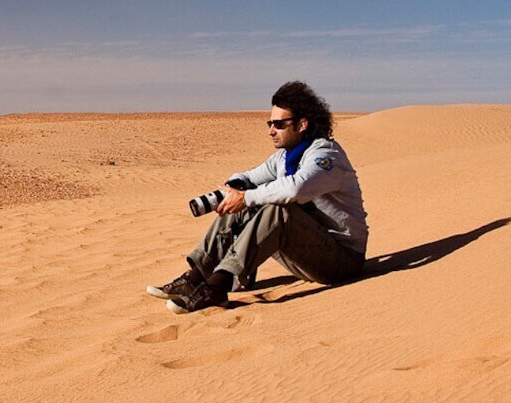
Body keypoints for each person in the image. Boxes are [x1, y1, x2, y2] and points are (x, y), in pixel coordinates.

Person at [146, 81, 368, 314]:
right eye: (270, 123)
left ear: (302, 124)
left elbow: (295, 189)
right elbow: (250, 177)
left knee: (276, 208)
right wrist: (232, 191)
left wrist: (246, 197)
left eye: (279, 124)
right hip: (308, 256)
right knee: (247, 200)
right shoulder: (285, 158)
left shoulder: (325, 156)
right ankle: (197, 276)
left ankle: (218, 287)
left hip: (342, 261)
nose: (271, 130)